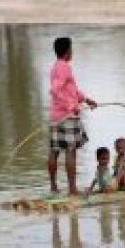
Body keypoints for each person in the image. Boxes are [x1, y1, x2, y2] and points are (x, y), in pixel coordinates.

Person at [47, 37, 97, 196]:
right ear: (67, 51)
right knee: (70, 151)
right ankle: (72, 189)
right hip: (67, 116)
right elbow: (55, 90)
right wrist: (71, 106)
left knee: (54, 150)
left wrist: (86, 99)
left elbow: (71, 89)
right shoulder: (65, 67)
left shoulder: (56, 67)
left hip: (55, 115)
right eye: (71, 48)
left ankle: (54, 187)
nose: (72, 51)